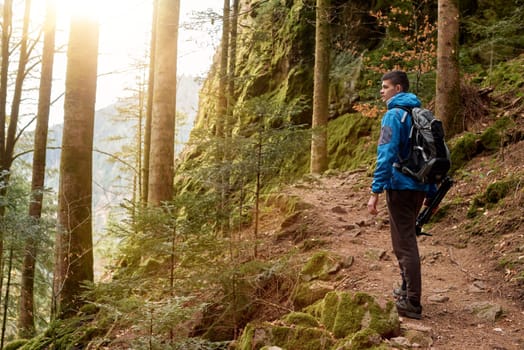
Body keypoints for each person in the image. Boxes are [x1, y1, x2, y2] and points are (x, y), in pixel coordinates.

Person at [367, 70, 435, 320]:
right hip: (418, 187)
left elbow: (385, 153)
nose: (381, 91)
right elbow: (430, 154)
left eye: (385, 87)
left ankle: (412, 302)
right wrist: (431, 191)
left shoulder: (393, 116)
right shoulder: (420, 115)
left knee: (404, 244)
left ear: (398, 89)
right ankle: (406, 289)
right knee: (406, 239)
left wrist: (376, 190)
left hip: (400, 187)